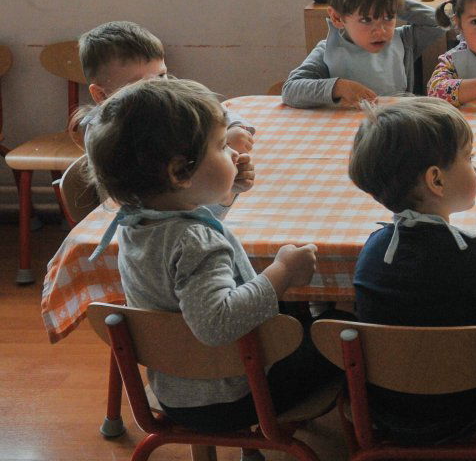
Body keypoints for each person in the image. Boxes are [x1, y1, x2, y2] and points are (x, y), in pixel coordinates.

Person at [83, 77, 337, 432]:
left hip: (179, 388)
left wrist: (225, 189)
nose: (233, 154)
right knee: (335, 331)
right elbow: (217, 323)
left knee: (301, 321)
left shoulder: (139, 219)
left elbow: (187, 224)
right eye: (220, 147)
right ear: (179, 172)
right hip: (234, 394)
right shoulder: (195, 242)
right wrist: (282, 272)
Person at [349, 97, 476, 443]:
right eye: (469, 158)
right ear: (436, 181)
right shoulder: (469, 256)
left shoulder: (373, 249)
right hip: (473, 405)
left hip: (391, 407)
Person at [75, 20, 255, 200]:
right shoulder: (109, 135)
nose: (159, 88)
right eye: (138, 84)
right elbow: (157, 198)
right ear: (101, 95)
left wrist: (230, 135)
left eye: (161, 76)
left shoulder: (165, 107)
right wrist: (217, 163)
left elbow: (213, 113)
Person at [282, 0, 444, 107]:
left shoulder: (404, 40)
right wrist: (338, 87)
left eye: (388, 17)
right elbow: (290, 90)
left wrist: (392, 0)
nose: (380, 31)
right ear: (337, 18)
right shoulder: (327, 50)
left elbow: (439, 22)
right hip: (345, 128)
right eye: (366, 20)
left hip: (395, 124)